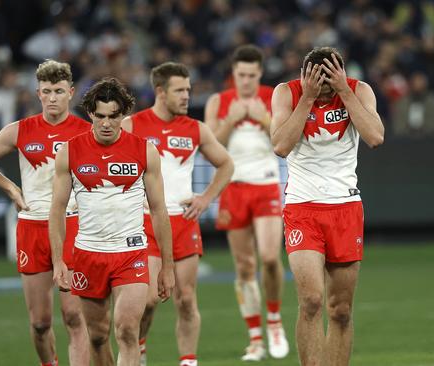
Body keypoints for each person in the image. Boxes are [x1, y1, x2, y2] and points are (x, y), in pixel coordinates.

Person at [49, 77, 176, 366]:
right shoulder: (69, 152)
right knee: (97, 336)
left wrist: (167, 267)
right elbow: (57, 209)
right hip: (87, 254)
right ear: (91, 114)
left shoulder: (145, 151)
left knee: (127, 331)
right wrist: (59, 260)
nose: (107, 123)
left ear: (123, 115)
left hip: (130, 253)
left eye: (114, 116)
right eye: (101, 116)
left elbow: (158, 210)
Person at [270, 46, 384, 366]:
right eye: (316, 84)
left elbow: (375, 136)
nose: (322, 94)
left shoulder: (358, 91)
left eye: (327, 86)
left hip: (345, 206)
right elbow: (279, 145)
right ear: (305, 77)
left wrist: (344, 91)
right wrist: (306, 99)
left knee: (341, 310)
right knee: (310, 301)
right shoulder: (287, 93)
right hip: (302, 207)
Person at [0, 60, 90, 366]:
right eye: (46, 91)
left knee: (74, 317)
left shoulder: (86, 133)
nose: (52, 97)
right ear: (38, 94)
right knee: (40, 323)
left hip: (74, 227)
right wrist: (11, 188)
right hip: (33, 228)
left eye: (58, 91)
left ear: (71, 92)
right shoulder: (21, 130)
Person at [122, 62, 234, 366]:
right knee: (147, 300)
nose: (187, 96)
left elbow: (226, 164)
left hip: (183, 222)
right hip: (145, 221)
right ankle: (140, 349)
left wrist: (207, 198)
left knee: (186, 299)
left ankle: (188, 361)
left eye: (188, 90)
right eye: (180, 90)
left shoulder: (195, 129)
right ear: (160, 91)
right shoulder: (133, 125)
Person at [204, 44, 289, 361]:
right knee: (244, 266)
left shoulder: (272, 96)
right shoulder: (219, 101)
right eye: (241, 75)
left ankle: (275, 320)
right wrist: (231, 120)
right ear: (233, 73)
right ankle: (255, 339)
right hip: (233, 187)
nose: (247, 81)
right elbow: (210, 146)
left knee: (269, 257)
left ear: (260, 74)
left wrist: (265, 119)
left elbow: (285, 139)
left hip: (266, 184)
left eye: (252, 75)